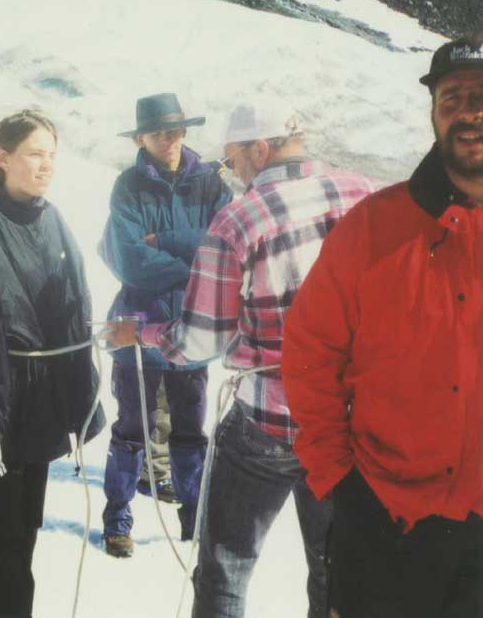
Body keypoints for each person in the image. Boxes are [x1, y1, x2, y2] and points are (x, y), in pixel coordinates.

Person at [106, 98, 378, 618]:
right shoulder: (362, 193)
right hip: (349, 420)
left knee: (226, 569)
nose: (231, 173)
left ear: (260, 147)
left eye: (233, 160)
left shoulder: (238, 221)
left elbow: (201, 341)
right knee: (336, 566)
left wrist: (140, 332)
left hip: (269, 421)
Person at [282, 34, 483, 618]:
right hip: (385, 527)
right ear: (433, 114)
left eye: (480, 96)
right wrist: (338, 475)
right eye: (452, 100)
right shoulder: (373, 228)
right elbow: (308, 352)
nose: (469, 114)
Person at [0, 109, 105, 618]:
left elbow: (78, 311)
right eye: (35, 153)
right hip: (3, 411)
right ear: (3, 157)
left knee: (24, 541)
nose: (47, 166)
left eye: (52, 156)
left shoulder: (53, 219)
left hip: (44, 409)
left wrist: (82, 405)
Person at [99, 93, 232, 556]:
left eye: (175, 131)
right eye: (159, 133)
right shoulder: (127, 186)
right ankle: (118, 519)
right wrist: (197, 264)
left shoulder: (212, 184)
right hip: (135, 325)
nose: (169, 140)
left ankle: (194, 520)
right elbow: (132, 263)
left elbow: (229, 248)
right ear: (141, 138)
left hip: (193, 328)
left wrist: (170, 240)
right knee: (131, 427)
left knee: (191, 430)